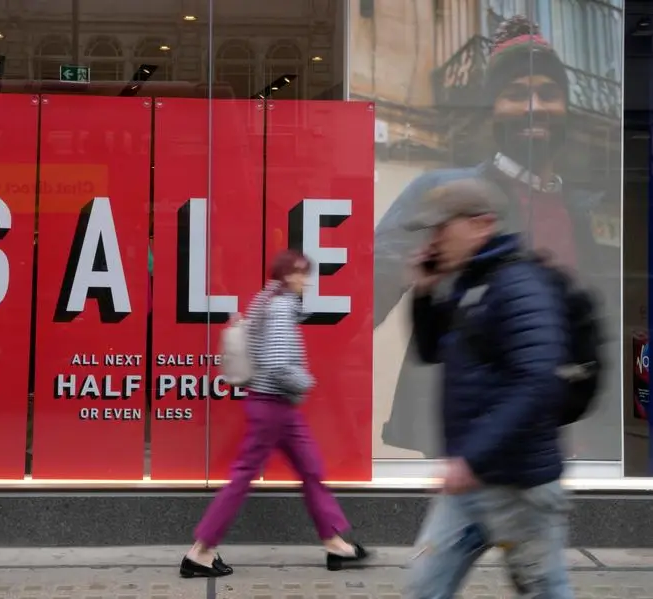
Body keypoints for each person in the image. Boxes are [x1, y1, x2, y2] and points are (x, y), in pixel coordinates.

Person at [374, 15, 620, 460]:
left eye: (547, 93)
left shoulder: (584, 210)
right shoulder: (443, 195)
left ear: (565, 105)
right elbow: (360, 299)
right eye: (515, 94)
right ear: (493, 109)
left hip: (570, 453)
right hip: (473, 452)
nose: (534, 106)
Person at [402, 178, 573, 599]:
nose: (434, 239)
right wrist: (424, 293)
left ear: (482, 225)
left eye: (442, 227)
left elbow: (537, 382)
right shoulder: (469, 285)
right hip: (470, 487)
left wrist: (471, 459)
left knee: (545, 592)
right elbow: (429, 350)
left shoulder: (519, 286)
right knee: (422, 589)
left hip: (521, 490)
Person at [178, 250, 369, 578]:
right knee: (244, 476)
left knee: (310, 468)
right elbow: (277, 363)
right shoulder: (279, 308)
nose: (305, 281)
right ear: (286, 277)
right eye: (299, 274)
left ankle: (334, 542)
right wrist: (307, 381)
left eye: (306, 274)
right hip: (273, 405)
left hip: (276, 406)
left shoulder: (269, 303)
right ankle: (201, 551)